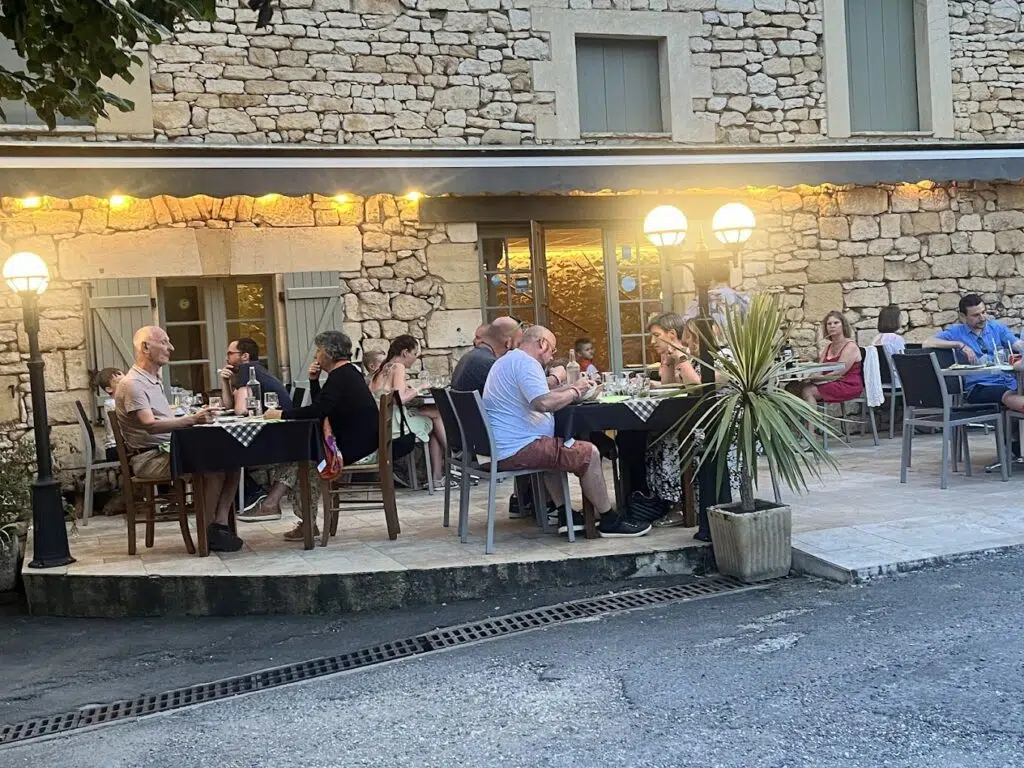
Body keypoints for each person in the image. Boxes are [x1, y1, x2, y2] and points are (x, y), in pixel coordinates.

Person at [482, 324, 652, 538]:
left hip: (505, 445)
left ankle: (566, 515)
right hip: (519, 448)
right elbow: (543, 403)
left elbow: (541, 391)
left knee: (555, 444)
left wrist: (571, 388)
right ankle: (609, 520)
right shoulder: (526, 363)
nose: (552, 357)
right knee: (589, 453)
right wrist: (574, 390)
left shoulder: (508, 360)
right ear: (542, 343)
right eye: (552, 350)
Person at [115, 326, 242, 552]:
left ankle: (218, 525)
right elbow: (150, 425)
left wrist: (192, 417)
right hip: (149, 459)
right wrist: (193, 420)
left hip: (166, 450)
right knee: (213, 470)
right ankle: (206, 531)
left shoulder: (152, 380)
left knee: (233, 461)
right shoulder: (132, 384)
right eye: (164, 342)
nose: (171, 348)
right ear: (145, 347)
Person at [263, 330, 378, 541]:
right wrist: (314, 381)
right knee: (301, 457)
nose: (316, 355)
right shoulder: (346, 374)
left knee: (306, 462)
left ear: (328, 352)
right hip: (357, 441)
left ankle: (287, 511)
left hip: (356, 446)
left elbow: (317, 410)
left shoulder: (341, 376)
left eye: (318, 350)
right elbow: (323, 406)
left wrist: (280, 414)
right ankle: (287, 511)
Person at [368, 335, 449, 489]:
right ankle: (452, 458)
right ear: (405, 352)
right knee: (436, 415)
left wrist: (409, 389)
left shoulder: (382, 368)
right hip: (395, 425)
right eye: (414, 354)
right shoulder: (398, 367)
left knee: (429, 411)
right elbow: (400, 399)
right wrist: (421, 387)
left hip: (381, 423)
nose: (415, 359)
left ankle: (440, 474)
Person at [924, 294, 1024, 410]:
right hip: (980, 386)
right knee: (1006, 393)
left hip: (1008, 381)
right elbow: (927, 343)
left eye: (984, 312)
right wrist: (959, 344)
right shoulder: (956, 332)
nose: (982, 318)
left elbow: (1017, 344)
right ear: (962, 317)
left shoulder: (996, 328)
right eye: (976, 315)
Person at [790, 311, 864, 412]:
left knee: (807, 390)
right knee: (792, 388)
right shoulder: (828, 347)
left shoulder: (850, 346)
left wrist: (818, 380)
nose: (832, 326)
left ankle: (810, 427)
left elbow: (839, 372)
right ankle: (795, 425)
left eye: (836, 323)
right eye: (829, 324)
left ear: (843, 325)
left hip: (846, 383)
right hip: (829, 381)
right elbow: (820, 368)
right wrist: (811, 377)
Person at [218, 337, 292, 417]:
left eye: (230, 354)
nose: (226, 358)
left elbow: (241, 411)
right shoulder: (255, 368)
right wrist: (225, 381)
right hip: (282, 420)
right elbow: (229, 405)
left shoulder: (247, 368)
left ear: (245, 356)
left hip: (279, 423)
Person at [451, 316, 520, 394]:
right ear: (508, 342)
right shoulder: (490, 364)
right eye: (517, 344)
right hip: (479, 406)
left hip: (465, 405)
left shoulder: (469, 356)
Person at [648, 313, 702, 386]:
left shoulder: (692, 355)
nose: (652, 341)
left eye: (657, 335)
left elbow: (695, 388)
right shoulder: (668, 355)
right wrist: (668, 362)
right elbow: (669, 387)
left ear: (672, 334)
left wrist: (681, 358)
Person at [872, 304, 906, 387]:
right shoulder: (896, 339)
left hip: (880, 380)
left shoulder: (875, 339)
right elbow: (903, 361)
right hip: (896, 381)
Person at [96, 367, 124, 462]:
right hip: (116, 449)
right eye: (121, 383)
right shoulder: (112, 404)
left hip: (120, 446)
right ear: (109, 389)